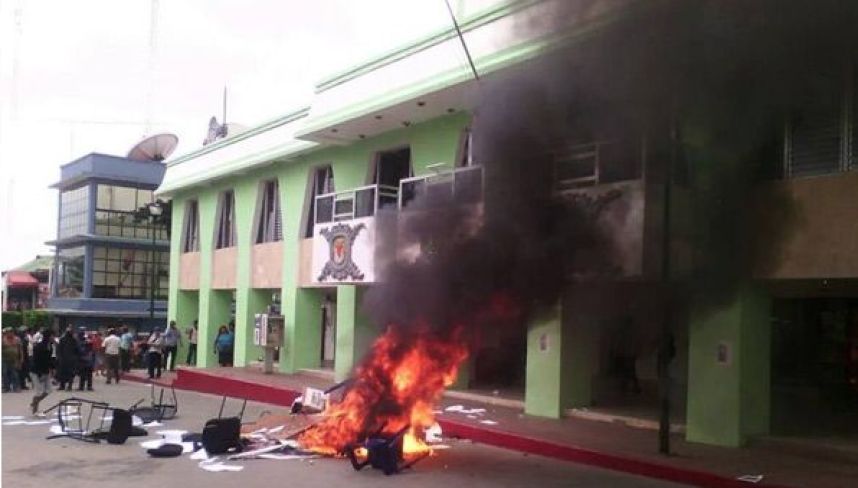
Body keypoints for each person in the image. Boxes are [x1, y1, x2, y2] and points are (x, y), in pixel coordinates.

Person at [30, 329, 54, 415]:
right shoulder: (39, 346)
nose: (53, 337)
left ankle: (33, 403)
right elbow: (36, 360)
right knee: (39, 392)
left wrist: (52, 370)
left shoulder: (50, 346)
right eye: (52, 336)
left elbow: (49, 360)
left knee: (49, 390)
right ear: (48, 336)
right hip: (36, 371)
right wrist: (40, 373)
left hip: (45, 371)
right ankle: (35, 411)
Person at [56, 326, 79, 391]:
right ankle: (67, 386)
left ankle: (64, 386)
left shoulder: (65, 340)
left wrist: (59, 357)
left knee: (65, 373)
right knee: (68, 373)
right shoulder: (73, 340)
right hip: (68, 359)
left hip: (65, 359)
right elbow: (77, 350)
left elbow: (59, 349)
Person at [2, 327, 23, 392]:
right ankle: (6, 387)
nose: (10, 333)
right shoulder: (3, 339)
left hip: (15, 359)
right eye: (8, 332)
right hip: (4, 359)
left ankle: (16, 387)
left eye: (11, 332)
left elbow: (20, 350)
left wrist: (21, 358)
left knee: (15, 373)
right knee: (4, 373)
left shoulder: (17, 339)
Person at [17, 326, 31, 390]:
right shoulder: (19, 339)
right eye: (24, 332)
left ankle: (23, 384)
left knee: (24, 371)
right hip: (20, 357)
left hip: (26, 356)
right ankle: (20, 384)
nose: (26, 333)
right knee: (20, 371)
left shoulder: (25, 339)